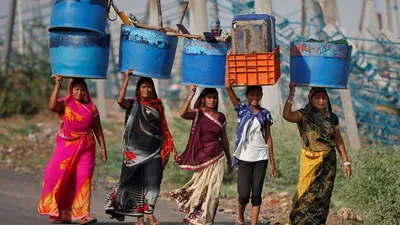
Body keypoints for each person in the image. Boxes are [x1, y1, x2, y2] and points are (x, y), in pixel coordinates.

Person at [105, 69, 175, 225]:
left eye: (149, 87)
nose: (146, 90)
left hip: (154, 150)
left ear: (153, 89)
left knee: (154, 181)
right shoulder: (133, 103)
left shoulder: (158, 106)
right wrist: (126, 80)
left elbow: (163, 128)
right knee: (136, 183)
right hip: (135, 152)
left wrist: (168, 145)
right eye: (143, 87)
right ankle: (139, 217)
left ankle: (149, 213)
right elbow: (119, 101)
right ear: (138, 89)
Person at [38, 75, 107, 225]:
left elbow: (98, 130)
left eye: (83, 90)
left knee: (84, 179)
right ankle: (59, 212)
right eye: (76, 89)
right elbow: (52, 106)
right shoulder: (66, 103)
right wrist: (57, 85)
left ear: (86, 91)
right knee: (55, 175)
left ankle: (84, 215)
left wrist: (103, 149)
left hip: (87, 147)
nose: (79, 93)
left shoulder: (92, 108)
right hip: (66, 146)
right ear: (71, 90)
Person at [282, 82, 352, 225]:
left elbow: (338, 140)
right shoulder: (304, 114)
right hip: (310, 161)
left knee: (323, 196)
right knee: (304, 194)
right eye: (317, 98)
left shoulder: (332, 118)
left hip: (328, 162)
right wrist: (291, 94)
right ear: (311, 99)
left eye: (324, 98)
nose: (321, 101)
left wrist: (346, 161)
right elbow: (287, 115)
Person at [169, 84, 233, 225]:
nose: (212, 100)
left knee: (214, 193)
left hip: (218, 156)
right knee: (199, 189)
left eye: (215, 98)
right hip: (203, 158)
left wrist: (229, 160)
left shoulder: (220, 117)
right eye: (209, 97)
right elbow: (182, 114)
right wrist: (191, 95)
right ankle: (194, 216)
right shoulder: (199, 113)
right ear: (203, 99)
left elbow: (225, 139)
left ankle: (206, 220)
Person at [225, 81, 277, 225]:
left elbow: (268, 137)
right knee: (243, 195)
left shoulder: (265, 114)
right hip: (245, 157)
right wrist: (229, 68)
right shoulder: (242, 109)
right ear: (247, 96)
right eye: (252, 94)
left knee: (256, 194)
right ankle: (240, 215)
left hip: (261, 156)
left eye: (258, 94)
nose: (255, 97)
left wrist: (272, 161)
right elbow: (228, 88)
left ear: (261, 96)